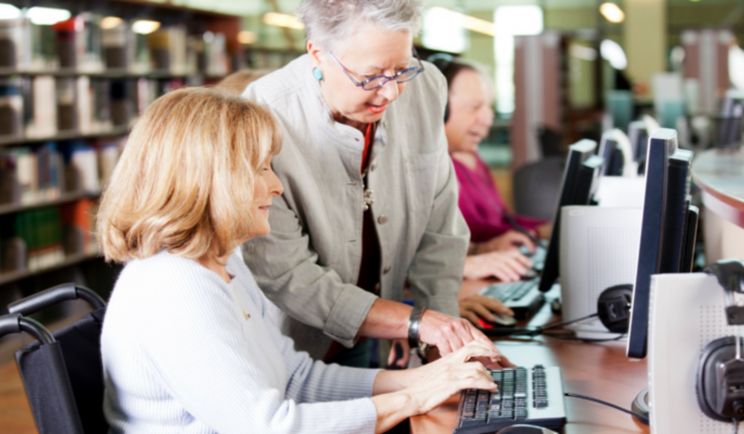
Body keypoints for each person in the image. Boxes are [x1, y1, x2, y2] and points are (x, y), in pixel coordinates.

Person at [97, 87, 505, 433]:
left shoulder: (222, 264)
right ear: (206, 180)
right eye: (259, 169)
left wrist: (421, 379)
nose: (276, 187)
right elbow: (268, 427)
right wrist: (412, 398)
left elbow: (296, 378)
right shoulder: (173, 287)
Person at [241, 0, 495, 368]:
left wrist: (442, 335)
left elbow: (440, 226)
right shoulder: (262, 115)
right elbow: (285, 273)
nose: (392, 93)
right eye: (372, 76)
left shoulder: (427, 88)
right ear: (318, 54)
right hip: (295, 346)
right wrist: (414, 323)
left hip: (382, 329)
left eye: (403, 69)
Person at [431, 56, 549, 324]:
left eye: (488, 107)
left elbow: (496, 224)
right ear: (437, 108)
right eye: (475, 107)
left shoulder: (471, 159)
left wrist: (487, 247)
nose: (488, 118)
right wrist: (470, 260)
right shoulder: (421, 171)